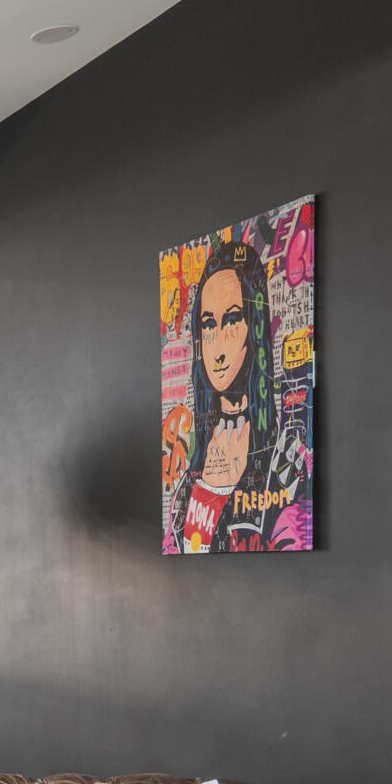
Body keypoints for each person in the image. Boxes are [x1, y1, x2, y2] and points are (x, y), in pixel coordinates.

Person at [170, 236, 290, 552]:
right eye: (208, 324)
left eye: (233, 319)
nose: (218, 347)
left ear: (254, 326)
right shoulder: (192, 475)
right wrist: (210, 490)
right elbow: (184, 548)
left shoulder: (286, 459)